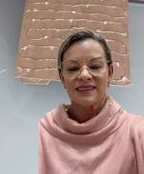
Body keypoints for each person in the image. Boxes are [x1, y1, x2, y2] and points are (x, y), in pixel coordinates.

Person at [38, 31, 144, 174]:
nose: (84, 75)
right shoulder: (43, 132)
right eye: (73, 68)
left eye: (95, 66)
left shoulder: (138, 132)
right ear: (62, 77)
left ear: (110, 73)